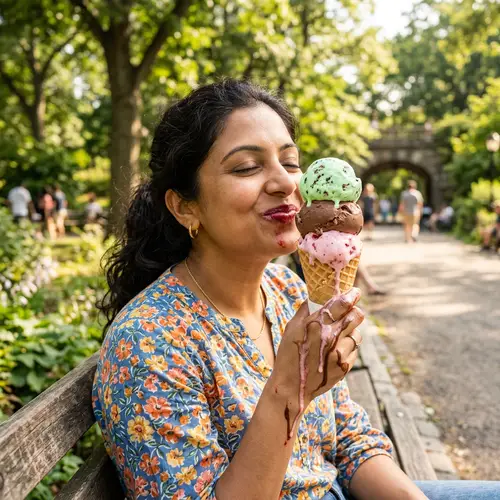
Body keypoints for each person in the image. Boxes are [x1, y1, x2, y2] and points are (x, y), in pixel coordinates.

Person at [92, 80, 500, 500]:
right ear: (184, 206)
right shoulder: (148, 342)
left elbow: (349, 439)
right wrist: (288, 390)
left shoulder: (286, 287)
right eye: (247, 167)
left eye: (290, 162)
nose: (285, 184)